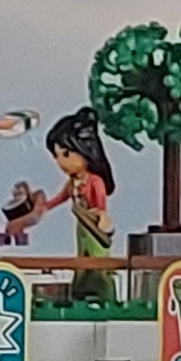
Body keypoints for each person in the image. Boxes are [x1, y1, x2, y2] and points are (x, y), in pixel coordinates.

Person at [32, 107, 118, 303]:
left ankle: (104, 294)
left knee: (98, 259)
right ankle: (81, 291)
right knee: (82, 258)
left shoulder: (95, 181)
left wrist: (102, 216)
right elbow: (61, 197)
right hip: (81, 226)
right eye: (56, 156)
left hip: (93, 224)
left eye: (66, 154)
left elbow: (101, 202)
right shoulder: (73, 182)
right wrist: (45, 206)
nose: (61, 162)